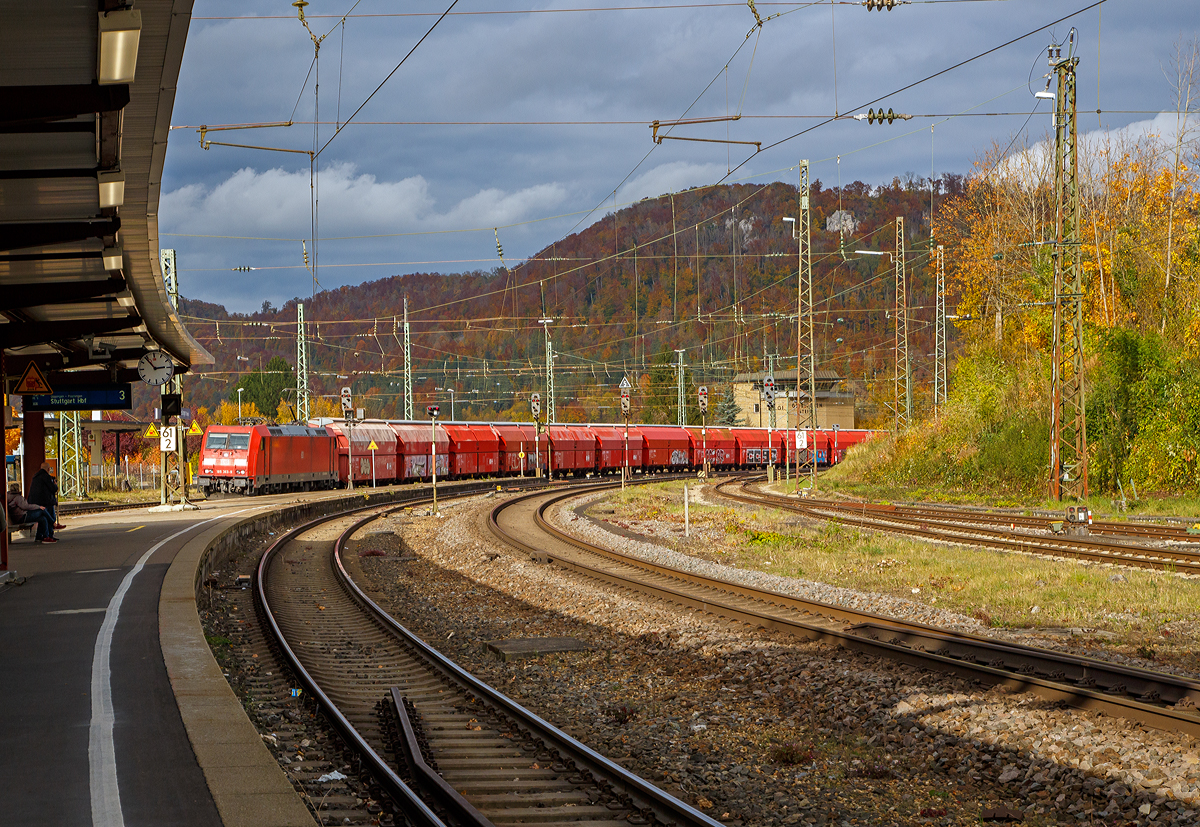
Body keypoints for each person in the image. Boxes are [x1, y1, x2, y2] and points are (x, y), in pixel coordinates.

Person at [28, 461, 63, 530]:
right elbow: (53, 489)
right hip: (46, 502)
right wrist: (55, 484)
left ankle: (42, 536)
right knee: (51, 517)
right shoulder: (46, 477)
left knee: (43, 519)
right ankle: (50, 532)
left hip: (35, 502)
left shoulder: (35, 477)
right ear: (48, 469)